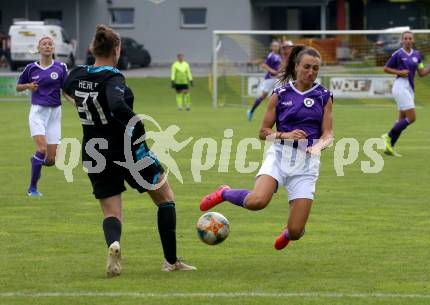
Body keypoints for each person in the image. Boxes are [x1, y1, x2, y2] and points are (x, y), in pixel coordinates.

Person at [63, 25, 196, 277]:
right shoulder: (113, 77)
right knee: (165, 199)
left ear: (92, 48)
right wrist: (139, 126)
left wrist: (81, 106)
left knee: (112, 213)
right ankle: (171, 262)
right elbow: (117, 105)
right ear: (117, 49)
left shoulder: (77, 74)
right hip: (127, 150)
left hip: (94, 151)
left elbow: (66, 86)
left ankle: (114, 244)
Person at [200, 46, 333, 251]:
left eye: (316, 69)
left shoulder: (324, 96)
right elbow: (263, 132)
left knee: (297, 232)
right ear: (296, 66)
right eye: (306, 67)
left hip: (306, 166)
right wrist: (284, 135)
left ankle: (290, 232)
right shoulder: (280, 94)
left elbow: (328, 134)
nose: (311, 72)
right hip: (279, 157)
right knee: (257, 201)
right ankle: (224, 193)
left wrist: (319, 146)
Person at [16, 36, 68, 197]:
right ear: (39, 48)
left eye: (50, 44)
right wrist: (28, 86)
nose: (47, 46)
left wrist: (75, 102)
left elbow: (66, 90)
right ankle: (32, 188)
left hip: (55, 114)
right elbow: (18, 87)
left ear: (53, 48)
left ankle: (36, 160)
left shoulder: (61, 67)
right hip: (38, 113)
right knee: (42, 148)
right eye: (44, 44)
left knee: (51, 160)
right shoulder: (31, 68)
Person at [381, 31, 430, 156]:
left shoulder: (417, 55)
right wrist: (400, 72)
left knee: (401, 119)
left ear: (413, 40)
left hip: (409, 88)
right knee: (412, 118)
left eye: (410, 38)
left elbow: (421, 73)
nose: (407, 40)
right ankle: (388, 135)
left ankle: (389, 147)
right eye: (405, 38)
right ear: (402, 41)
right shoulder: (398, 54)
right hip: (400, 86)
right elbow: (385, 68)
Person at [247, 40, 282, 122]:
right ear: (272, 47)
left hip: (277, 79)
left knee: (279, 96)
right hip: (269, 78)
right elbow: (264, 65)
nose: (276, 47)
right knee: (263, 96)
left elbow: (278, 67)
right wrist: (272, 71)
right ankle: (251, 111)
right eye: (274, 46)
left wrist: (280, 73)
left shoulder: (279, 56)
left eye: (277, 46)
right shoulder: (271, 55)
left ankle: (276, 115)